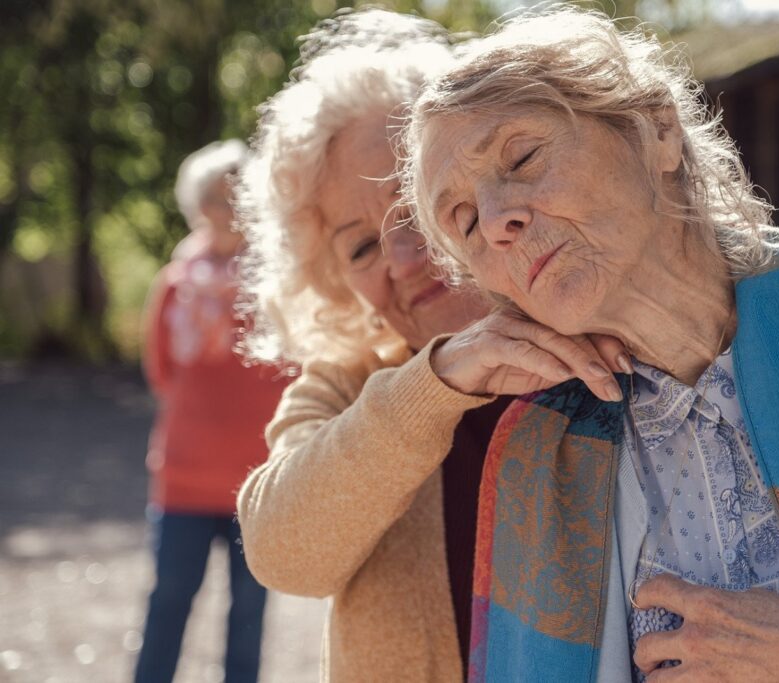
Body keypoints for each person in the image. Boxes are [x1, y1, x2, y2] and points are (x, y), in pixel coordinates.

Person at [400, 6, 779, 681]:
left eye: (522, 156)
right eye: (462, 221)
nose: (496, 221)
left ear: (657, 129)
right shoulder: (537, 454)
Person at [233, 9, 625, 682]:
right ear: (332, 279)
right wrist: (439, 380)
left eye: (412, 204)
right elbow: (281, 550)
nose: (402, 254)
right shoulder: (349, 382)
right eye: (358, 245)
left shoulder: (617, 331)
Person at [136, 139, 288, 683]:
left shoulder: (280, 285)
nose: (227, 211)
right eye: (216, 200)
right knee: (168, 603)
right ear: (197, 207)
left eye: (237, 199)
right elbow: (160, 372)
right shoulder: (175, 285)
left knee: (249, 615)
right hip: (183, 478)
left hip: (258, 481)